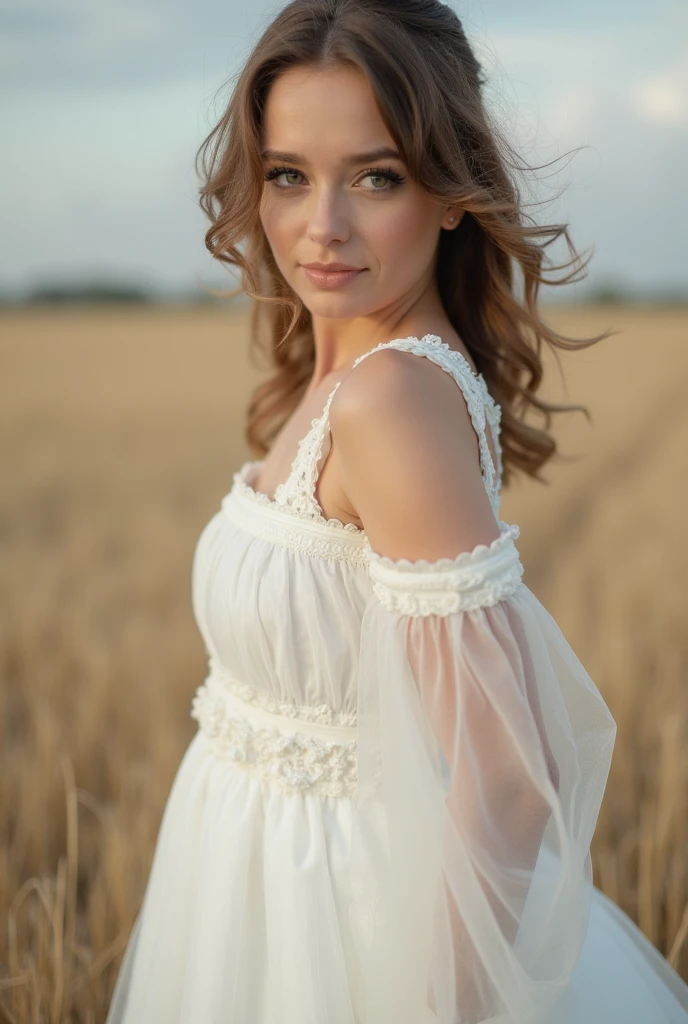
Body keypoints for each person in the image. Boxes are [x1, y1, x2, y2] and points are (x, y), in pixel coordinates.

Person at [105, 1, 688, 1021]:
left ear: (450, 191)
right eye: (287, 174)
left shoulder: (389, 400)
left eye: (375, 177)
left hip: (346, 916)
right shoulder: (341, 371)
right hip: (256, 876)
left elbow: (508, 776)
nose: (319, 227)